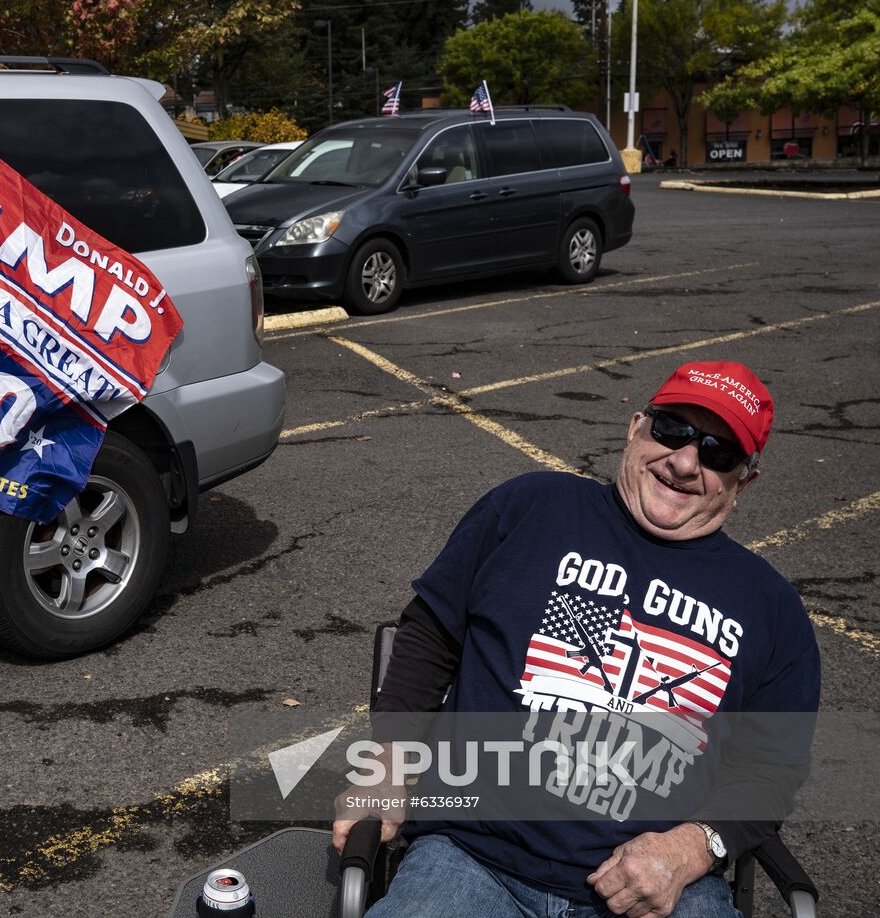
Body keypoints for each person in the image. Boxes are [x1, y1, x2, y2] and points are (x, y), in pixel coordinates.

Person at [335, 361, 820, 918]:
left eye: (718, 452)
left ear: (744, 479)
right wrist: (389, 764)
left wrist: (693, 847)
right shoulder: (530, 509)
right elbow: (431, 634)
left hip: (662, 888)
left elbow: (772, 769)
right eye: (672, 430)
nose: (686, 461)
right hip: (473, 856)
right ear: (635, 426)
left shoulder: (772, 608)